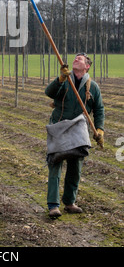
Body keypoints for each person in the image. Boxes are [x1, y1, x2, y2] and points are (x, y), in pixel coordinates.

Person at [45, 53, 105, 218]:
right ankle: (53, 205)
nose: (76, 59)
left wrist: (100, 129)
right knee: (55, 164)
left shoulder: (92, 87)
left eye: (81, 58)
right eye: (75, 58)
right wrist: (60, 79)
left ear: (87, 66)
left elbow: (99, 109)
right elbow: (49, 92)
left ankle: (70, 202)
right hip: (59, 126)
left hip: (78, 130)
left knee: (75, 167)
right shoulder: (65, 79)